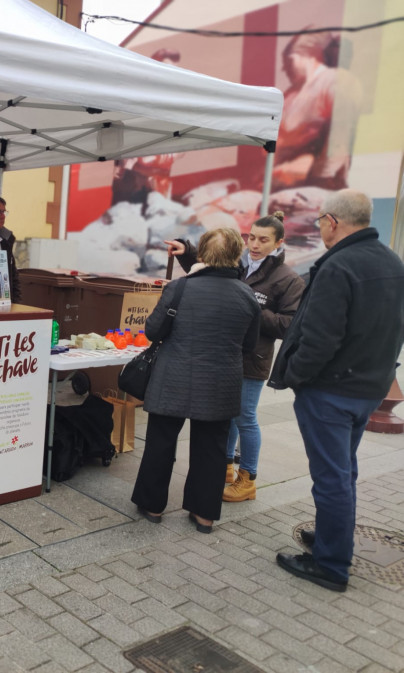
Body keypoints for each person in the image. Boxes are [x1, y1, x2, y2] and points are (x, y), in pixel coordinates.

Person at [269, 189, 404, 592]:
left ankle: (331, 565)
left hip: (331, 390)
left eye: (319, 223)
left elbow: (320, 338)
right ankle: (334, 537)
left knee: (331, 478)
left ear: (331, 222)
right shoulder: (392, 261)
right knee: (342, 471)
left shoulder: (338, 266)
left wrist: (296, 374)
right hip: (367, 387)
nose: (319, 229)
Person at [165, 213, 305, 501]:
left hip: (253, 359)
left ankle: (248, 478)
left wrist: (250, 305)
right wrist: (188, 252)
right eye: (251, 237)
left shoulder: (288, 279)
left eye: (263, 240)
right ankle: (226, 467)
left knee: (245, 418)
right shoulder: (239, 264)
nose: (254, 244)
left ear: (279, 242)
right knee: (225, 416)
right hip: (223, 354)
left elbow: (288, 325)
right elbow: (212, 273)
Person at [132, 228, 260, 534]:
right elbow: (250, 345)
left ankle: (152, 506)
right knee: (212, 450)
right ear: (235, 256)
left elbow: (152, 331)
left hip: (173, 378)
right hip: (221, 383)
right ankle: (204, 515)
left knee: (161, 443)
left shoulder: (181, 288)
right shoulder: (247, 295)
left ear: (201, 255)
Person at [272, 30, 361, 191]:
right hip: (277, 184)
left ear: (312, 54)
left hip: (317, 186)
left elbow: (340, 137)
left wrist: (319, 178)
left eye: (289, 59)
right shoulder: (289, 96)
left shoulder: (336, 81)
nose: (283, 68)